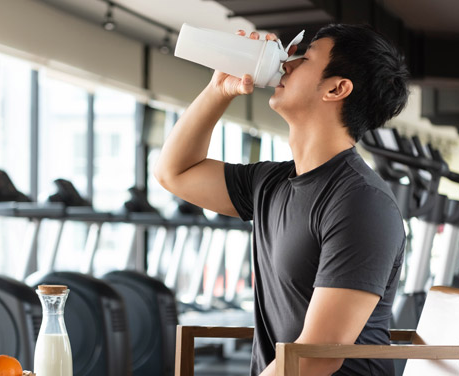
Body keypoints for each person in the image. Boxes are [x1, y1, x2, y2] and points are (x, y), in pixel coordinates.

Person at [154, 23, 409, 375]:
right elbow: (175, 173)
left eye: (305, 58)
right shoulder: (270, 182)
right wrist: (218, 89)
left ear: (336, 88)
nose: (286, 64)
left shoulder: (362, 203)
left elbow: (318, 356)